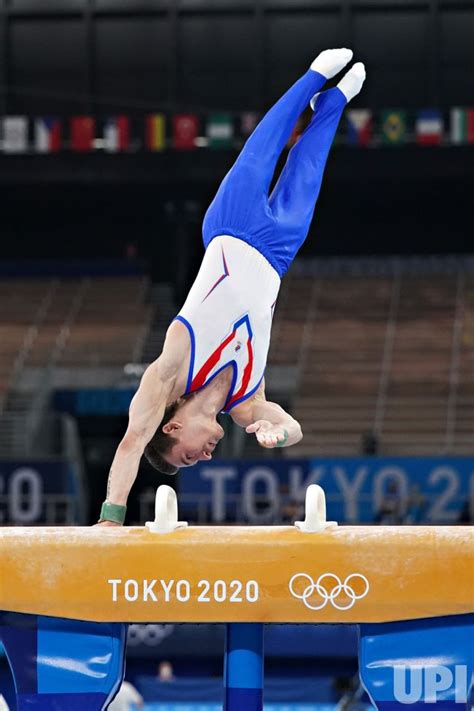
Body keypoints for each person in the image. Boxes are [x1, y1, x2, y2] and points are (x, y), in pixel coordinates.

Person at [96, 48, 366, 526]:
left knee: (264, 146)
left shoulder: (171, 369)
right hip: (277, 255)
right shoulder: (246, 403)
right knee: (308, 168)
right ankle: (336, 101)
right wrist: (276, 435)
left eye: (186, 456)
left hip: (230, 227)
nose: (202, 459)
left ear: (173, 425)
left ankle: (314, 77)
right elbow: (293, 428)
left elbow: (132, 440)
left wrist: (111, 518)